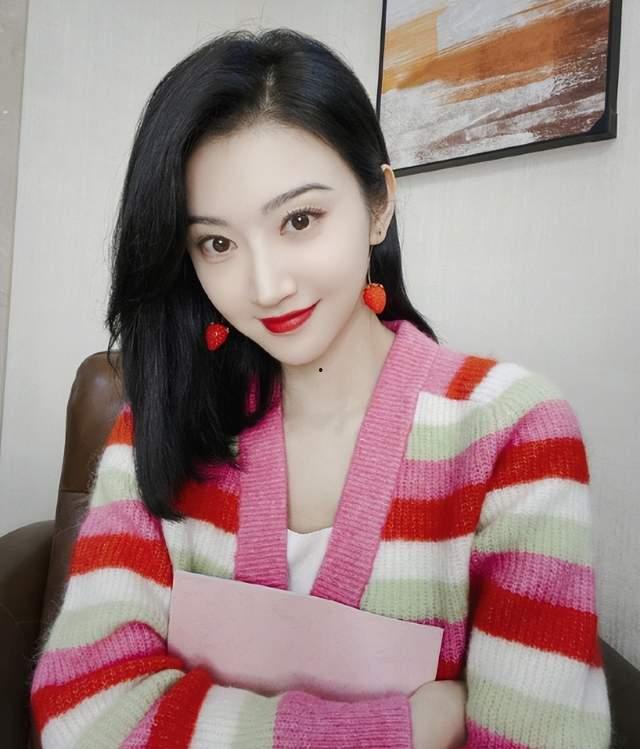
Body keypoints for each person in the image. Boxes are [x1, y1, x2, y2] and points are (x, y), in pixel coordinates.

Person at [29, 27, 611, 749]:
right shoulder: (160, 423)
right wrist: (398, 730)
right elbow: (83, 713)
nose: (266, 285)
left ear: (379, 204)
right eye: (217, 243)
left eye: (299, 219)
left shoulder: (512, 434)